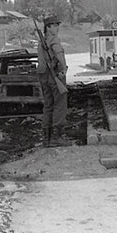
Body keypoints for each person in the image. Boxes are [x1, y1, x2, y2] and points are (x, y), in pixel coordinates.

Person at [37, 14, 69, 146]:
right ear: (48, 27)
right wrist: (64, 69)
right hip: (55, 75)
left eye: (57, 25)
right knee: (60, 105)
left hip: (44, 76)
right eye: (54, 25)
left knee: (48, 105)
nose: (57, 28)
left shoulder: (41, 42)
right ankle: (56, 137)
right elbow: (59, 54)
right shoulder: (54, 40)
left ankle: (47, 138)